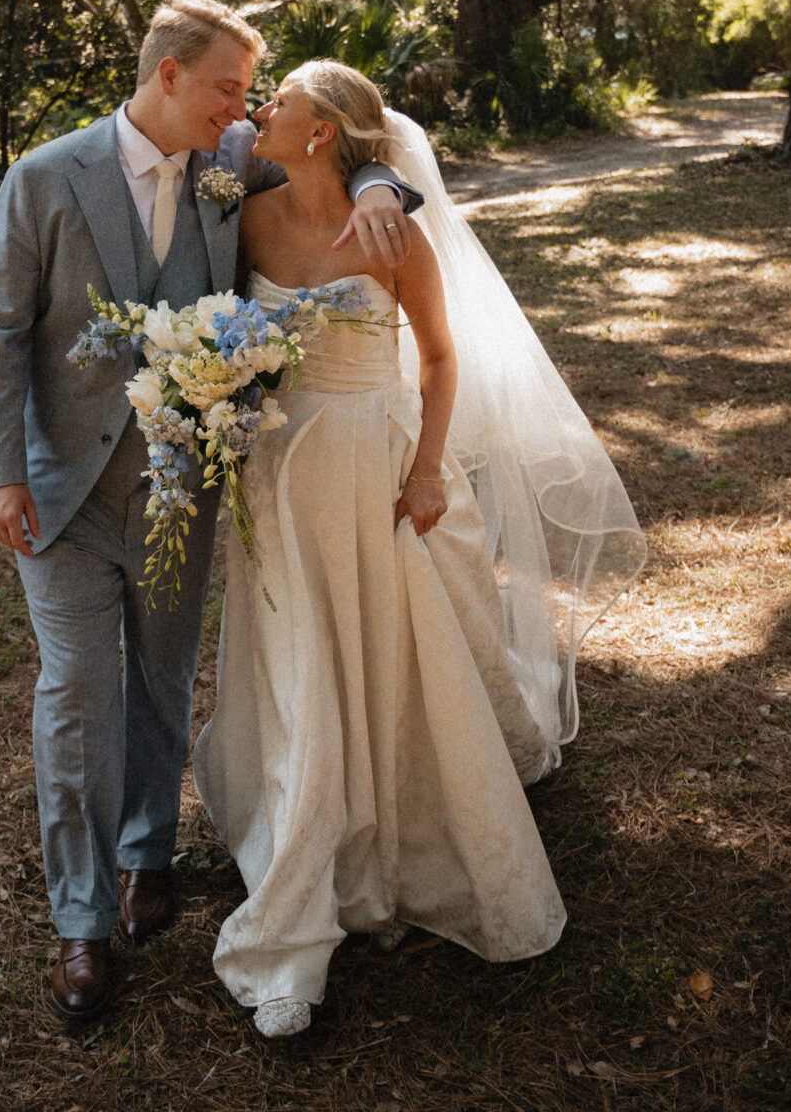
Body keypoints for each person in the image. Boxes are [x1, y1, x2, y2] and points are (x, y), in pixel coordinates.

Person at [0, 0, 422, 1024]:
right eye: (227, 87)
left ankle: (147, 855)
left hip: (183, 484)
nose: (242, 108)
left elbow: (344, 157)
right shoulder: (45, 176)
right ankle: (81, 923)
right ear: (168, 75)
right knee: (78, 695)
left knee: (165, 678)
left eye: (250, 94)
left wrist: (377, 183)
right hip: (61, 496)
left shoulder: (230, 163)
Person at [192, 60, 647, 1038]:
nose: (260, 109)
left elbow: (438, 358)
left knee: (398, 646)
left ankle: (366, 860)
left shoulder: (395, 234)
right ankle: (298, 877)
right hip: (279, 477)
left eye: (281, 101)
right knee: (298, 663)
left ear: (322, 132)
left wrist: (431, 471)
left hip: (378, 466)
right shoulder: (249, 216)